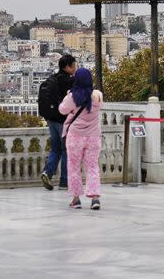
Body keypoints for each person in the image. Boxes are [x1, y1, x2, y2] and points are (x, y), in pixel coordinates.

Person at [58, 66, 103, 210]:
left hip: (75, 136)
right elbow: (99, 104)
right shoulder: (97, 95)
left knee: (74, 166)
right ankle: (95, 198)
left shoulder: (72, 97)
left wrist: (69, 96)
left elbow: (62, 109)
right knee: (92, 166)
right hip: (93, 136)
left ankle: (76, 199)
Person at [39, 53, 76, 191]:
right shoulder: (69, 81)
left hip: (51, 120)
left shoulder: (52, 79)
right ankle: (64, 181)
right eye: (73, 65)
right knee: (66, 150)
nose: (75, 67)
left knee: (55, 149)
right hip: (63, 121)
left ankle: (47, 173)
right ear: (67, 66)